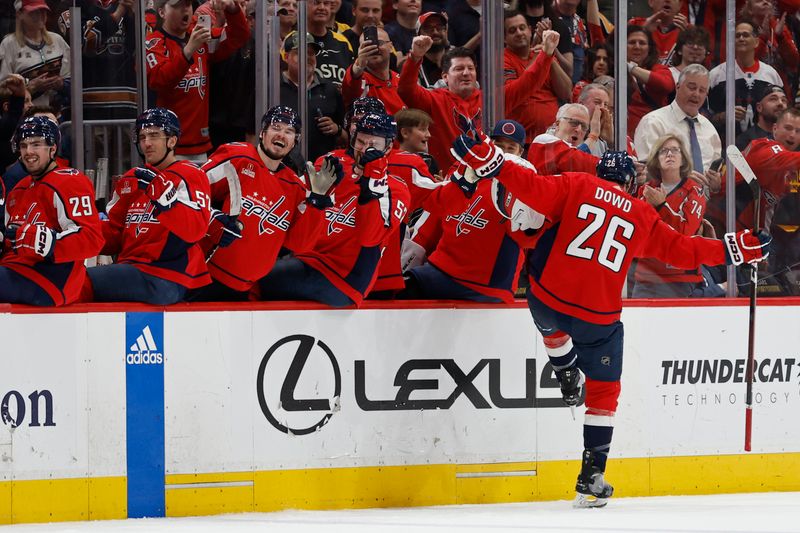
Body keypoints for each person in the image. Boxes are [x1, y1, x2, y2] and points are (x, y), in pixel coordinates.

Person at [451, 135, 770, 508]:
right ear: (631, 183)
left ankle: (566, 370)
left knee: (548, 318)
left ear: (599, 171)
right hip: (597, 316)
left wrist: (495, 162)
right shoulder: (640, 213)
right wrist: (735, 249)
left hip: (547, 300)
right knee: (603, 394)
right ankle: (591, 478)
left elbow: (531, 188)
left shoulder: (576, 183)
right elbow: (682, 251)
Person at [258, 112, 410, 307]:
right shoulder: (335, 172)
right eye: (361, 142)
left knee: (258, 280)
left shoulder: (395, 188)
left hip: (345, 281)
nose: (364, 150)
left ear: (388, 148)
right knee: (251, 273)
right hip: (309, 262)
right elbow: (298, 240)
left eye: (374, 145)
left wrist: (373, 180)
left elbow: (370, 237)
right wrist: (318, 199)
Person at [191, 105, 335, 302]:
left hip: (248, 289)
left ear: (295, 142)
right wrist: (213, 221)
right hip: (205, 278)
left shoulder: (294, 186)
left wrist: (317, 201)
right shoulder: (238, 157)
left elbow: (299, 245)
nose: (282, 135)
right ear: (263, 133)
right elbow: (190, 192)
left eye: (289, 131)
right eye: (276, 127)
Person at [400, 122, 539, 303]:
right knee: (393, 290)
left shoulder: (524, 184)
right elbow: (434, 218)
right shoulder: (463, 170)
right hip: (441, 271)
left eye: (510, 148)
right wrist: (413, 255)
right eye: (498, 146)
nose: (503, 153)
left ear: (520, 153)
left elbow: (528, 235)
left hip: (488, 286)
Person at [84, 108, 212, 304]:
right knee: (69, 276)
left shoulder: (190, 175)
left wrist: (166, 200)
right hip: (132, 270)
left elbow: (196, 230)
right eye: (142, 137)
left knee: (80, 283)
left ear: (172, 140)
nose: (147, 143)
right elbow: (114, 234)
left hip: (166, 276)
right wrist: (81, 230)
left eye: (154, 135)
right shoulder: (132, 179)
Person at [0, 116, 103, 306]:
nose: (28, 151)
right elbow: (10, 242)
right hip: (14, 270)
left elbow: (91, 238)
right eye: (23, 145)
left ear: (53, 148)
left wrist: (47, 242)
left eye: (36, 144)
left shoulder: (70, 181)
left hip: (51, 281)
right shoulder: (18, 190)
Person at [145, 0, 249, 161]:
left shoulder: (201, 38)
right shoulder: (153, 43)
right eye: (177, 6)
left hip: (200, 144)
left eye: (187, 5)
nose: (184, 9)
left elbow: (239, 35)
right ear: (162, 12)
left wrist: (233, 9)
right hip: (168, 146)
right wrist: (188, 50)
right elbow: (159, 80)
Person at [632, 135, 706, 298]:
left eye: (675, 150)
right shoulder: (645, 190)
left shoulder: (695, 190)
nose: (669, 154)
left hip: (681, 278)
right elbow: (638, 231)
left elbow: (685, 233)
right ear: (656, 160)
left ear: (683, 159)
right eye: (663, 151)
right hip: (646, 277)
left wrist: (661, 206)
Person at [399, 39, 483, 170]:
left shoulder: (490, 100)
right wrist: (415, 58)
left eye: (470, 68)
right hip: (446, 182)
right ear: (445, 77)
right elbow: (406, 90)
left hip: (487, 181)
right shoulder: (434, 99)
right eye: (459, 69)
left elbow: (522, 87)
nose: (466, 73)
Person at [634, 64, 722, 182]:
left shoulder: (710, 130)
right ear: (678, 86)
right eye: (691, 87)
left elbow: (715, 175)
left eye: (702, 90)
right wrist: (679, 177)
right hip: (663, 198)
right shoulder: (653, 122)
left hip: (702, 199)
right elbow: (643, 173)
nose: (696, 94)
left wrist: (716, 184)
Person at [279, 30, 345, 172]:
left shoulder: (330, 90)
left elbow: (348, 137)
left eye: (311, 53)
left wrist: (336, 129)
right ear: (285, 56)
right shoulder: (272, 88)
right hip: (279, 170)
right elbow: (253, 133)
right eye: (300, 52)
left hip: (322, 172)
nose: (307, 57)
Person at [707, 19, 783, 141]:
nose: (741, 38)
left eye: (746, 35)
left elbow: (782, 114)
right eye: (737, 36)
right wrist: (723, 116)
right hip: (725, 146)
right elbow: (705, 114)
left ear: (756, 42)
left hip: (765, 146)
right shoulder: (717, 75)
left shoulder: (771, 75)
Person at [504, 15, 571, 143]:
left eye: (522, 28)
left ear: (530, 30)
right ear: (504, 38)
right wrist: (543, 56)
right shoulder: (503, 59)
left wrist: (549, 58)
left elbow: (566, 92)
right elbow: (520, 89)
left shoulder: (544, 53)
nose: (519, 33)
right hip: (521, 141)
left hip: (553, 138)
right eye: (512, 30)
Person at [0, 0, 70, 108]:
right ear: (19, 14)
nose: (41, 16)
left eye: (44, 11)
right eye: (34, 12)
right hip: (24, 116)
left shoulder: (57, 40)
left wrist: (61, 84)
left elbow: (74, 83)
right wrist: (30, 88)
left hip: (56, 115)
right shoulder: (9, 44)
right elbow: (2, 90)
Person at [624, 25, 674, 135]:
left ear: (649, 48)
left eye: (642, 43)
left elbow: (666, 85)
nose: (637, 47)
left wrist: (631, 68)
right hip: (624, 139)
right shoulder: (615, 71)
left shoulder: (659, 69)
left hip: (654, 135)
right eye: (632, 42)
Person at [342, 26, 405, 114]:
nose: (374, 48)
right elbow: (350, 85)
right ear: (360, 50)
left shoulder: (401, 81)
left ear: (391, 47)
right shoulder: (358, 79)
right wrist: (359, 64)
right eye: (367, 45)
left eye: (379, 43)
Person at [527, 103, 600, 174]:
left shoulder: (582, 152)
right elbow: (573, 161)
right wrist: (593, 136)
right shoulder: (543, 141)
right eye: (574, 123)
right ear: (557, 124)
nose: (579, 130)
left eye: (584, 126)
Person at [306, 0, 354, 86]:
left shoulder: (343, 41)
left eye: (326, 3)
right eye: (316, 3)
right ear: (304, 5)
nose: (322, 7)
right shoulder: (294, 40)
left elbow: (351, 81)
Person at [628, 0, 689, 64]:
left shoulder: (689, 30)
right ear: (651, 2)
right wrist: (644, 32)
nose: (667, 0)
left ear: (680, 4)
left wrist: (686, 37)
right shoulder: (635, 24)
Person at [736, 84, 788, 150]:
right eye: (773, 99)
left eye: (783, 100)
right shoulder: (745, 141)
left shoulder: (792, 138)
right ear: (759, 107)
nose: (780, 103)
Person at [415, 11, 451, 89]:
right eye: (428, 28)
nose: (435, 32)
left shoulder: (457, 59)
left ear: (446, 31)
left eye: (439, 27)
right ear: (418, 35)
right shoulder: (414, 67)